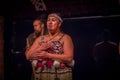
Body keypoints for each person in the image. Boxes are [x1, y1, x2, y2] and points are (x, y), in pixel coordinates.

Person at [25, 12, 74, 80]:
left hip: (60, 75)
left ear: (59, 24)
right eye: (48, 20)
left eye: (53, 20)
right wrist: (40, 48)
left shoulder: (65, 38)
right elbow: (28, 56)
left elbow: (69, 58)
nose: (50, 22)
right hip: (42, 75)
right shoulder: (40, 39)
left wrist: (48, 55)